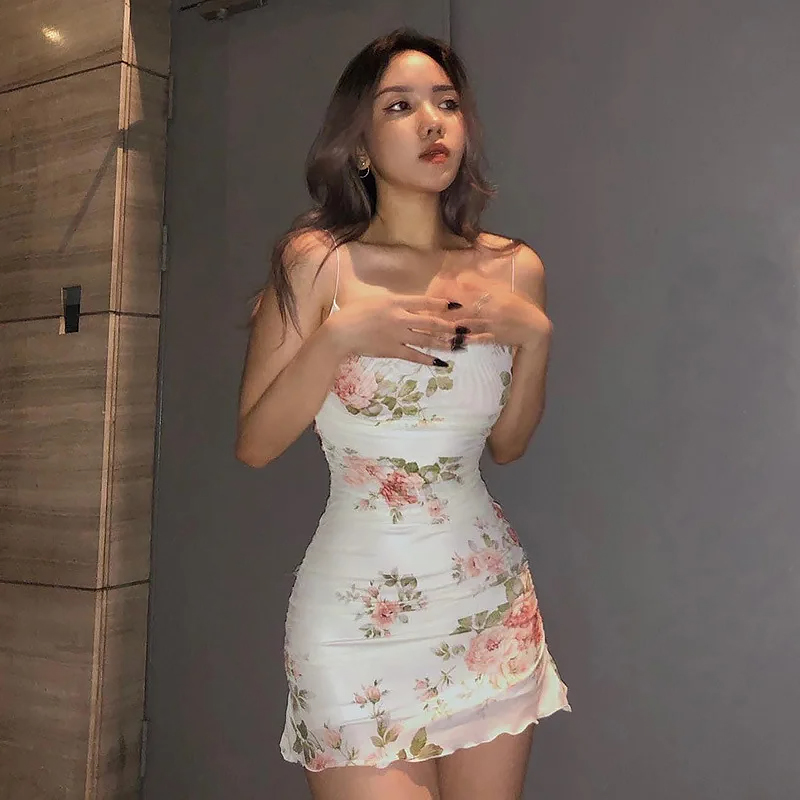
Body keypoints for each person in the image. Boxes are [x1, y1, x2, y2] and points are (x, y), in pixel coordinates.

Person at [236, 28, 570, 800]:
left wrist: (536, 339)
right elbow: (254, 444)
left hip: (486, 602)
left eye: (446, 104)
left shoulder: (514, 268)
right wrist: (339, 337)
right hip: (357, 614)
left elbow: (508, 446)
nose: (432, 122)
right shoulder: (317, 263)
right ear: (358, 144)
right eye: (399, 106)